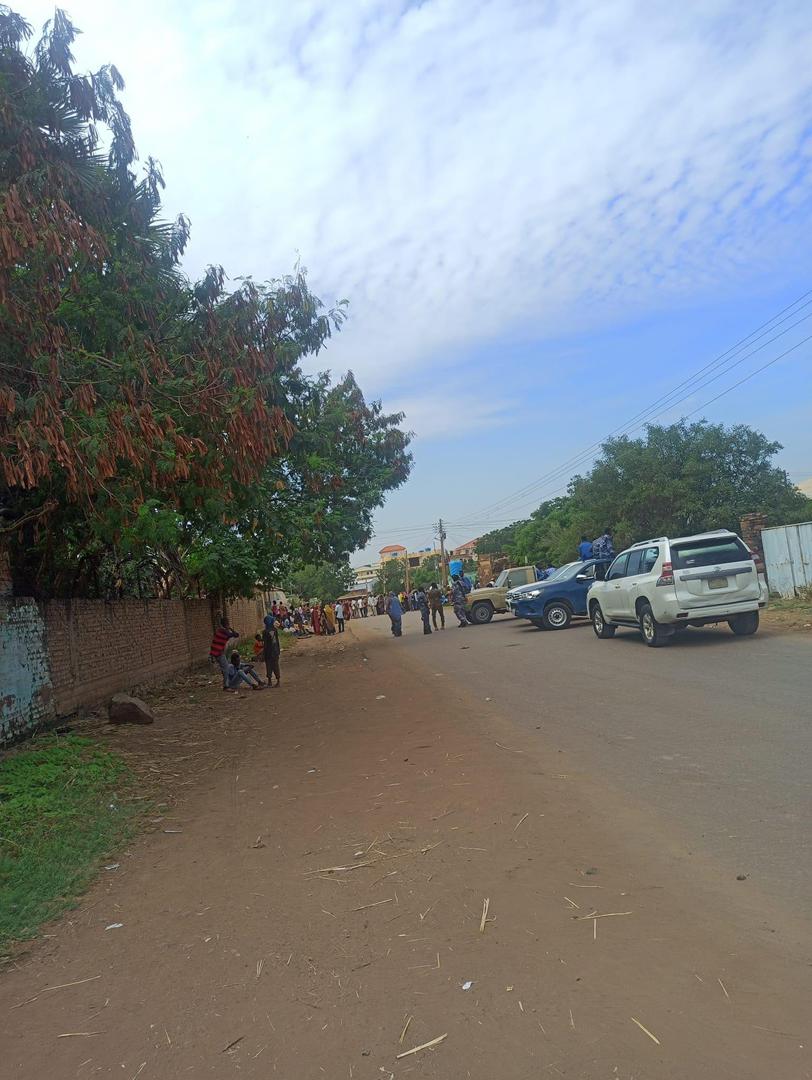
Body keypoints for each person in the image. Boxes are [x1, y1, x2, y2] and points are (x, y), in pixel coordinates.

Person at [209, 615, 240, 690]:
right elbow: (236, 635)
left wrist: (229, 628)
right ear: (226, 624)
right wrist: (230, 628)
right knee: (226, 668)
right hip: (218, 652)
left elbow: (236, 635)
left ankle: (226, 683)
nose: (228, 624)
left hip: (216, 652)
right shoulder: (224, 632)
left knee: (225, 667)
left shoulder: (220, 631)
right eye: (228, 623)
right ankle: (226, 686)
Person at [262, 614, 281, 686]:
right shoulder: (274, 630)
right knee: (276, 666)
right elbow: (276, 641)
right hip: (275, 651)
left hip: (268, 651)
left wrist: (264, 653)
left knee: (268, 666)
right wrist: (278, 650)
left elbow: (265, 643)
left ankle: (269, 681)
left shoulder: (265, 632)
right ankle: (278, 681)